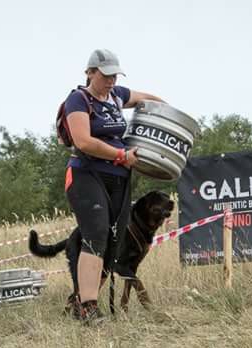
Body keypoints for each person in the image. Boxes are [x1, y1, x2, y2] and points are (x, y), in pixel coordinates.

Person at [63, 49, 164, 324]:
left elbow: (145, 97)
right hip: (86, 175)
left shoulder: (116, 95)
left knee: (113, 242)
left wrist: (167, 111)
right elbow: (83, 141)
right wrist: (121, 156)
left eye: (114, 76)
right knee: (95, 236)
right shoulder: (78, 100)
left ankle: (80, 302)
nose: (110, 81)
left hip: (119, 178)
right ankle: (88, 308)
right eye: (105, 75)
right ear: (90, 73)